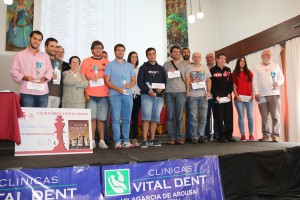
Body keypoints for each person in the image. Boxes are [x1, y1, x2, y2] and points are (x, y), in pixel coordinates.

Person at [104, 44, 136, 149]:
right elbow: (107, 81)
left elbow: (133, 80)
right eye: (118, 50)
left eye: (122, 50)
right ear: (115, 52)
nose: (121, 52)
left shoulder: (129, 65)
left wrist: (129, 86)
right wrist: (117, 88)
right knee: (116, 119)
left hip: (128, 95)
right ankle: (117, 141)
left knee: (127, 119)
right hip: (115, 95)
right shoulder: (110, 65)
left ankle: (126, 141)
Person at [10, 30, 53, 107]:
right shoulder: (19, 55)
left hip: (42, 93)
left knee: (42, 118)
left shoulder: (45, 56)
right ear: (30, 38)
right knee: (27, 118)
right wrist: (24, 77)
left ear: (41, 42)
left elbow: (50, 70)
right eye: (34, 38)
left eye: (39, 40)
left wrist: (45, 77)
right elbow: (13, 71)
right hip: (27, 93)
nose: (36, 41)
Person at [81, 40, 109, 149]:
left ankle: (101, 141)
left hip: (103, 95)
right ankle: (92, 140)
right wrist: (87, 79)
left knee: (101, 119)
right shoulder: (86, 61)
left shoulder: (107, 62)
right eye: (96, 48)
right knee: (91, 118)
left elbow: (109, 77)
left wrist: (101, 78)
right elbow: (82, 76)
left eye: (100, 48)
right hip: (90, 94)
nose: (98, 50)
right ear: (92, 50)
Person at [253, 49, 285, 142]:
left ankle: (275, 135)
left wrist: (278, 83)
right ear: (262, 56)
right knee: (264, 116)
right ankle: (266, 135)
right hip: (261, 96)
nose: (269, 56)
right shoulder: (257, 67)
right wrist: (256, 93)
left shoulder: (275, 66)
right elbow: (254, 81)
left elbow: (281, 78)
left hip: (274, 94)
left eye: (270, 55)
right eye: (266, 55)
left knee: (275, 115)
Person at [138, 47, 166, 148]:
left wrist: (161, 89)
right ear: (146, 56)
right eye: (149, 54)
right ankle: (145, 140)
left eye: (153, 54)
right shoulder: (143, 68)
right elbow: (140, 82)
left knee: (154, 119)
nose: (151, 56)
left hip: (158, 97)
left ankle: (152, 139)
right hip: (147, 95)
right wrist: (149, 91)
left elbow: (164, 82)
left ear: (156, 55)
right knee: (146, 118)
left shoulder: (161, 68)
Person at [210, 53, 237, 143]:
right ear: (217, 59)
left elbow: (231, 83)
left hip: (227, 96)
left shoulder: (228, 70)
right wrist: (215, 94)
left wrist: (230, 93)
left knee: (228, 116)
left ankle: (229, 136)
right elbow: (211, 84)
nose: (223, 60)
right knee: (219, 117)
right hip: (217, 97)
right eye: (221, 58)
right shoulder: (212, 70)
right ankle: (221, 136)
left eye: (224, 59)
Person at [185, 52, 211, 144]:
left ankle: (201, 135)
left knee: (203, 117)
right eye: (195, 57)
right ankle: (194, 136)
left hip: (203, 96)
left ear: (201, 58)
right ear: (192, 58)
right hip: (192, 96)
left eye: (198, 57)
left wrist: (208, 91)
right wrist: (187, 90)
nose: (196, 58)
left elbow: (208, 79)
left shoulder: (205, 67)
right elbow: (187, 79)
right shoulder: (189, 67)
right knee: (193, 117)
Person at [163, 45, 187, 145]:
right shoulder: (166, 64)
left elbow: (187, 77)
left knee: (179, 116)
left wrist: (188, 90)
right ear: (171, 53)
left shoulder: (185, 63)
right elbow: (162, 78)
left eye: (178, 52)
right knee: (170, 116)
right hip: (168, 92)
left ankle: (179, 137)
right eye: (175, 52)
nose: (177, 53)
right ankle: (171, 137)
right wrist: (167, 73)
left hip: (181, 91)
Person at [232, 57, 255, 141]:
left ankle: (251, 134)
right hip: (239, 99)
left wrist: (253, 94)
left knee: (250, 116)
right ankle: (243, 134)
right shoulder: (234, 73)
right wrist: (237, 96)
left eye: (244, 61)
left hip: (249, 98)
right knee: (241, 116)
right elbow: (233, 86)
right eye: (241, 61)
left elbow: (252, 84)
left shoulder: (249, 72)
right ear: (238, 62)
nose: (243, 63)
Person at [128, 51, 141, 147]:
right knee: (126, 117)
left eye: (135, 57)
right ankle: (126, 138)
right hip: (127, 95)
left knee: (135, 117)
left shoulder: (140, 69)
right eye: (132, 57)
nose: (134, 59)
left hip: (138, 95)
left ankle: (134, 137)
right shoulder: (126, 68)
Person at [44, 37, 62, 108]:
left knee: (54, 118)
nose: (54, 49)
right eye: (52, 46)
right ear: (45, 47)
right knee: (45, 117)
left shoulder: (59, 61)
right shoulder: (42, 59)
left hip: (57, 95)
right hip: (45, 94)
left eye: (56, 47)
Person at [205, 53, 218, 141]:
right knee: (206, 115)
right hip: (207, 95)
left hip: (216, 95)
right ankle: (207, 134)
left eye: (211, 57)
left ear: (214, 58)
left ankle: (217, 133)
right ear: (205, 59)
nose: (209, 59)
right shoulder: (203, 68)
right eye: (207, 58)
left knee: (217, 115)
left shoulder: (218, 69)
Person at [181, 47, 192, 141]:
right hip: (180, 91)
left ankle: (189, 134)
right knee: (179, 114)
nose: (186, 54)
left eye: (187, 52)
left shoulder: (193, 65)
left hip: (192, 92)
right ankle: (179, 135)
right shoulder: (179, 64)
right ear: (181, 54)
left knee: (190, 114)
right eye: (184, 52)